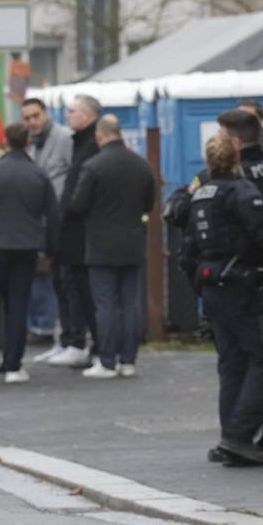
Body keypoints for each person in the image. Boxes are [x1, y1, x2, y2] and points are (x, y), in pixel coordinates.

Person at [179, 135, 263, 467]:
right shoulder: (241, 192)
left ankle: (230, 438)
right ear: (236, 156)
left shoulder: (200, 193)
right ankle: (239, 436)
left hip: (211, 284)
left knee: (232, 364)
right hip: (239, 285)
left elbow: (188, 250)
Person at [65, 114, 156, 378]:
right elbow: (148, 203)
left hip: (101, 244)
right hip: (133, 242)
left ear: (100, 135)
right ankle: (128, 361)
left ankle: (107, 361)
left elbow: (77, 206)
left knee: (105, 304)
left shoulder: (93, 166)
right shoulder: (141, 165)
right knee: (130, 303)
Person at [0, 122, 59, 384]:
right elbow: (52, 215)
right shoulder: (38, 174)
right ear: (27, 142)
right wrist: (51, 247)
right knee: (18, 304)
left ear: (5, 141)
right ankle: (13, 365)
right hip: (27, 247)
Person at [46, 95, 101, 369]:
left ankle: (92, 345)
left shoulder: (89, 147)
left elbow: (81, 192)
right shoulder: (78, 143)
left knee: (86, 293)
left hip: (81, 233)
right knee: (72, 287)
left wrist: (69, 211)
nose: (67, 117)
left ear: (88, 115)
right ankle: (81, 343)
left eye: (72, 112)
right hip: (72, 231)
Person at [22, 97, 70, 353]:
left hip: (60, 219)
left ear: (46, 114)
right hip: (40, 221)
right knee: (43, 276)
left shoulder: (63, 138)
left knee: (56, 278)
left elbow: (73, 174)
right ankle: (45, 327)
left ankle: (49, 327)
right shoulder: (34, 144)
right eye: (27, 118)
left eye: (36, 116)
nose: (32, 122)